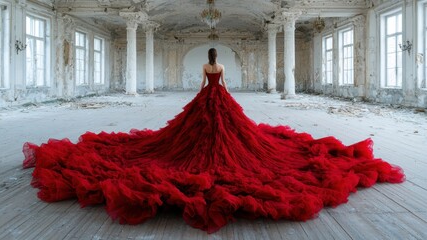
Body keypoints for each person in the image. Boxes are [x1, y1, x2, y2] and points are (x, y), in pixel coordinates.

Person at [22, 48, 405, 233]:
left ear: (211, 60)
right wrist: (219, 92)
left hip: (212, 99)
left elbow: (208, 84)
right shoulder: (218, 67)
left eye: (211, 59)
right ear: (214, 60)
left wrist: (209, 92)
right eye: (212, 58)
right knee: (206, 136)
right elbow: (218, 84)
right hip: (217, 99)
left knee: (219, 137)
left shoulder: (210, 68)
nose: (211, 61)